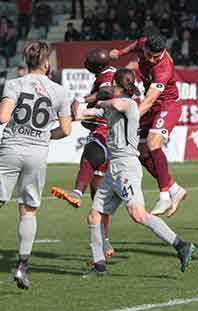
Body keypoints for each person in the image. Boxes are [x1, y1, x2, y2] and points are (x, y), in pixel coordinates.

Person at [74, 68, 194, 276]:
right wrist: (78, 106)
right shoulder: (111, 107)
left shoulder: (129, 104)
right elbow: (82, 114)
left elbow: (117, 104)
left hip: (128, 167)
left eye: (113, 84)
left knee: (138, 215)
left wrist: (100, 101)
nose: (110, 87)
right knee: (94, 216)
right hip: (114, 169)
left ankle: (181, 245)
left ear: (119, 86)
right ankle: (99, 265)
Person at [0, 41, 73, 289]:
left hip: (11, 149)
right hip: (37, 154)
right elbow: (65, 129)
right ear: (45, 63)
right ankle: (22, 266)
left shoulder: (14, 83)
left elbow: (3, 117)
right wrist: (45, 135)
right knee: (28, 209)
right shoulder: (59, 91)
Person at [109, 34, 187, 216]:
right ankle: (175, 188)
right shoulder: (144, 44)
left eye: (156, 57)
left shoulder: (164, 68)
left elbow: (149, 101)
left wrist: (130, 116)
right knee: (139, 150)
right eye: (149, 55)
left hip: (168, 105)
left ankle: (164, 196)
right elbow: (136, 44)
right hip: (153, 108)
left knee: (153, 143)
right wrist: (120, 53)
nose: (151, 60)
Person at [51, 48, 116, 260]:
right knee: (99, 197)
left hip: (106, 131)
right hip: (112, 133)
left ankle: (77, 192)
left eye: (89, 63)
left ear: (95, 66)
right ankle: (105, 242)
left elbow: (106, 93)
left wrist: (81, 99)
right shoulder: (108, 73)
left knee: (89, 153)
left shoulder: (106, 77)